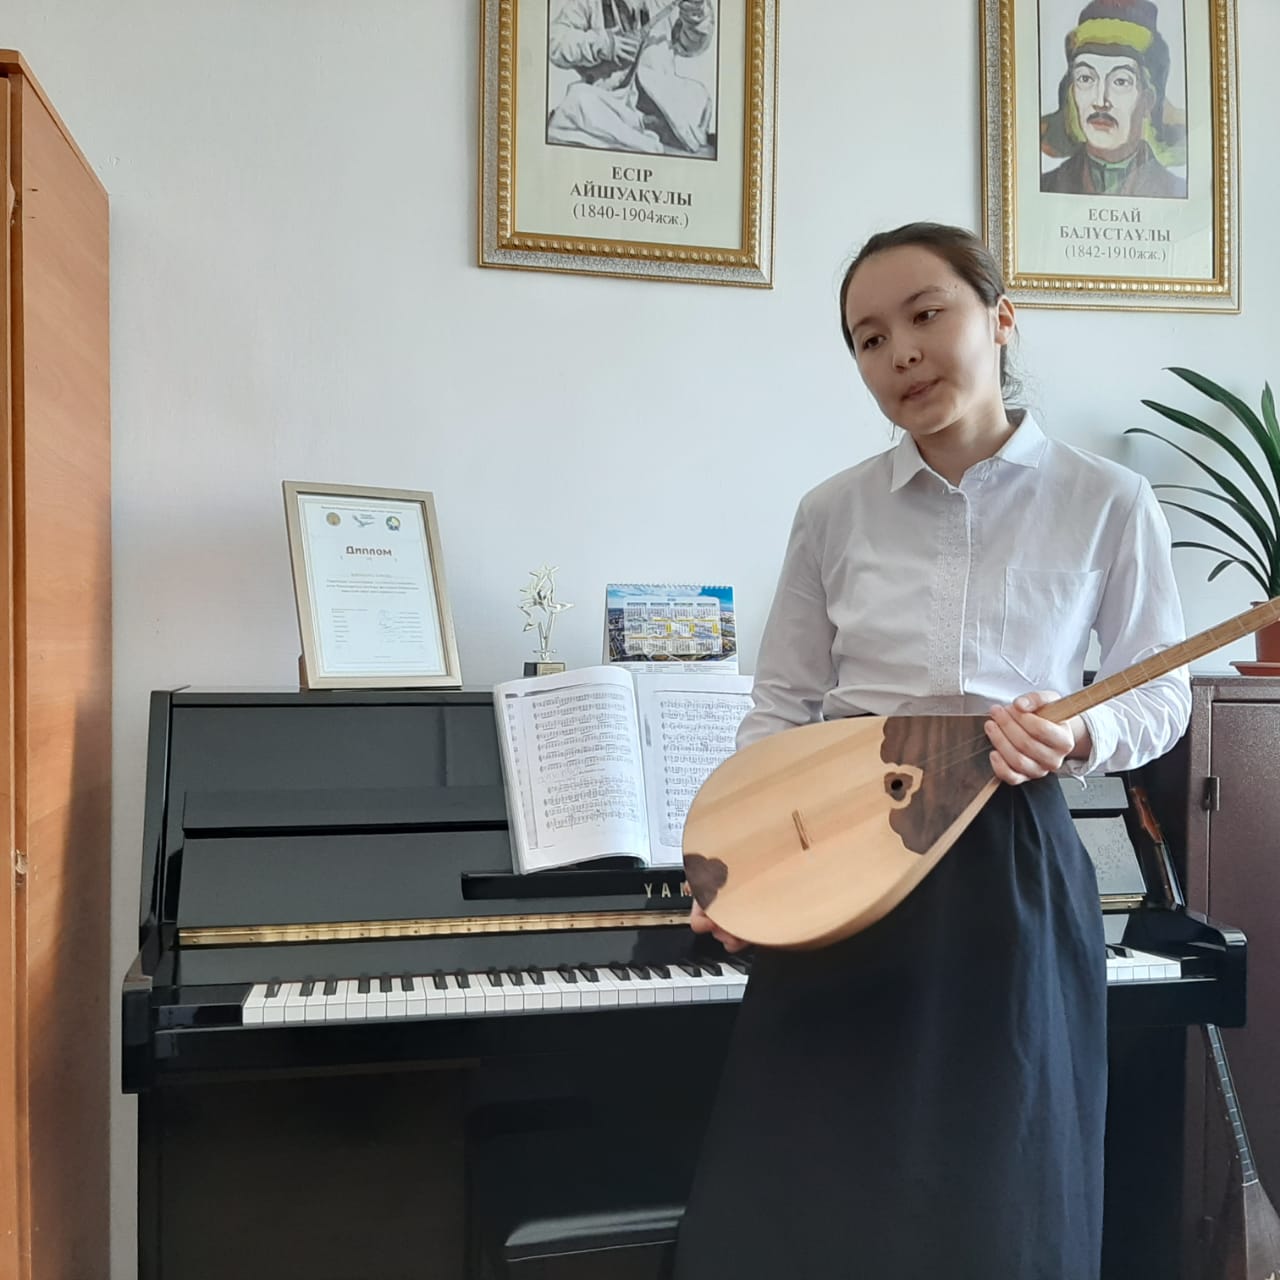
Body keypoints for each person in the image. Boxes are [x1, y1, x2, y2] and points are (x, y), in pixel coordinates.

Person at [672, 221, 1191, 1280]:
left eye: (925, 314)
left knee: (999, 1192)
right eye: (868, 338)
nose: (900, 352)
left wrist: (1077, 730)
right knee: (813, 1185)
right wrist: (739, 859)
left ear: (1000, 319)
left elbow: (1161, 691)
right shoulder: (830, 512)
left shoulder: (1107, 499)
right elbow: (782, 705)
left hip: (1010, 860)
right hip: (836, 853)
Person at [1040, 0, 1187, 198]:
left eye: (1120, 81)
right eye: (1086, 79)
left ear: (1148, 101)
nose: (1100, 101)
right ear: (1072, 92)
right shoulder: (1048, 187)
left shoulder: (1176, 194)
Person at [547, 0, 716, 157]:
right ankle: (644, 131)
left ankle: (645, 131)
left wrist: (695, 15)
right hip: (611, 102)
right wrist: (605, 45)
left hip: (662, 99)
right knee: (578, 100)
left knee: (698, 95)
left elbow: (690, 45)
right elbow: (555, 42)